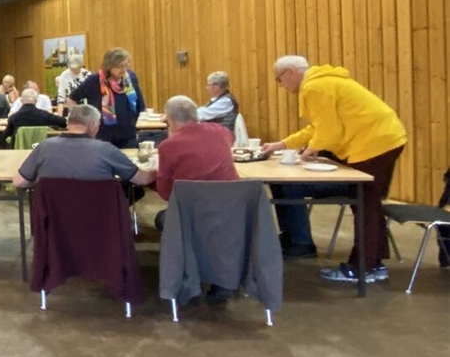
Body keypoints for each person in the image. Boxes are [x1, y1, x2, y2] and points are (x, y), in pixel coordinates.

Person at [260, 56, 407, 282]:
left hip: (373, 143)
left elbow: (328, 131)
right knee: (368, 203)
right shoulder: (323, 82)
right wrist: (283, 145)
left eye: (279, 80)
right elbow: (317, 127)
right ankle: (373, 263)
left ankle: (361, 268)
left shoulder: (314, 87)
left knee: (365, 203)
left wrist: (310, 151)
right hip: (384, 138)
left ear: (289, 72)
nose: (281, 85)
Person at [12, 104, 156, 189]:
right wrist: (159, 169)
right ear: (92, 125)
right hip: (98, 222)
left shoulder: (44, 147)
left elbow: (18, 182)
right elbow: (141, 179)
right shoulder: (107, 150)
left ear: (69, 123)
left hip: (56, 225)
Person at [153, 95, 238, 233]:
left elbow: (166, 193)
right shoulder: (220, 131)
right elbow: (231, 139)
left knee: (160, 218)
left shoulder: (168, 146)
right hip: (230, 206)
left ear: (170, 120)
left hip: (192, 211)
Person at [68, 48, 145, 149]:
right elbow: (71, 99)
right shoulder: (94, 80)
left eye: (126, 65)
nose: (124, 69)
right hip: (103, 137)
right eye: (120, 66)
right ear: (109, 66)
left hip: (128, 136)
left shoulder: (131, 78)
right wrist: (80, 121)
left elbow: (138, 103)